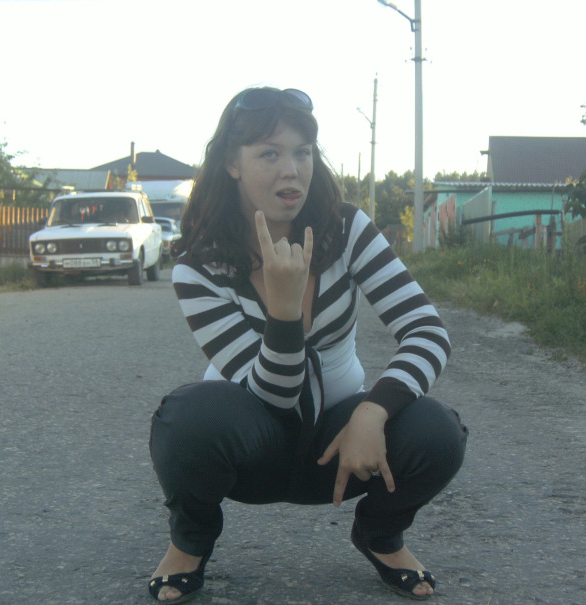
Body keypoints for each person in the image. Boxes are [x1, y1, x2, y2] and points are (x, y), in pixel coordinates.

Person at [148, 86, 468, 603]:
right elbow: (275, 398)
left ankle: (380, 535)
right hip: (251, 447)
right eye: (269, 154)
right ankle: (189, 542)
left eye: (302, 152)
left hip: (344, 444)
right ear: (232, 163)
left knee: (439, 431)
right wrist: (283, 312)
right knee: (185, 420)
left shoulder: (346, 228)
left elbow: (427, 331)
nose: (291, 171)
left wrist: (372, 412)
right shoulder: (198, 266)